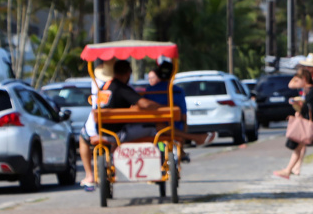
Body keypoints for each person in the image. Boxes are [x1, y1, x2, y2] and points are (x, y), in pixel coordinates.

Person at [78, 59, 160, 190]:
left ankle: (90, 175)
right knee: (153, 129)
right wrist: (159, 107)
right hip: (118, 134)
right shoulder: (122, 88)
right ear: (128, 73)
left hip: (101, 131)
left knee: (82, 138)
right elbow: (143, 104)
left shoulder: (104, 88)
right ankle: (157, 164)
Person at [272, 69, 313, 181]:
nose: (296, 82)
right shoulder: (310, 90)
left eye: (298, 80)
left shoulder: (312, 91)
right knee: (303, 148)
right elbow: (293, 87)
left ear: (304, 79)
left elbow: (310, 109)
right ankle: (288, 170)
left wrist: (300, 113)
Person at [144, 62, 216, 151]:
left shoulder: (149, 91)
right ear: (172, 73)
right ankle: (183, 148)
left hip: (153, 128)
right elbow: (183, 117)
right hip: (171, 128)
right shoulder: (177, 91)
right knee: (177, 123)